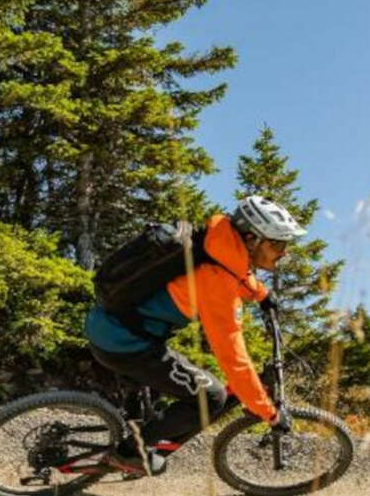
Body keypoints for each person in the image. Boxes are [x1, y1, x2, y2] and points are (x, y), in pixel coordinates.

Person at [85, 195, 305, 475]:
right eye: (278, 244)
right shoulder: (218, 282)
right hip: (124, 342)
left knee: (173, 393)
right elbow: (233, 360)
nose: (283, 252)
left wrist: (262, 294)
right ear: (252, 239)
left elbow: (237, 272)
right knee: (210, 397)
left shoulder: (216, 245)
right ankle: (129, 454)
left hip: (114, 326)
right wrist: (269, 413)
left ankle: (137, 434)